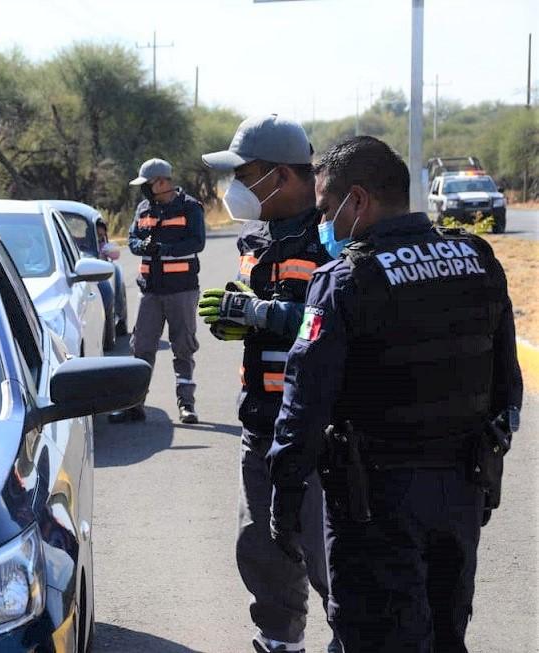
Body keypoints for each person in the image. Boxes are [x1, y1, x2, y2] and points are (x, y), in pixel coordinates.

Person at [268, 136, 523, 653]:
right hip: (462, 493)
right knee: (447, 633)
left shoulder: (344, 279)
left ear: (357, 200)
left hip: (374, 504)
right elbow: (507, 389)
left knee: (374, 634)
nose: (325, 225)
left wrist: (286, 493)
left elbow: (304, 403)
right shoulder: (476, 258)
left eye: (326, 209)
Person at [199, 114, 338, 653]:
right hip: (261, 420)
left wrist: (264, 314)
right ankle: (280, 641)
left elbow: (336, 322)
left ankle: (351, 637)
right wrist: (237, 317)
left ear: (279, 176)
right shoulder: (255, 235)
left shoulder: (333, 234)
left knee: (329, 553)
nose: (232, 187)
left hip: (318, 426)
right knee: (261, 545)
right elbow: (260, 311)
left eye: (243, 174)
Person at [108, 158, 205, 424]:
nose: (144, 191)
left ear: (162, 182)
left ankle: (187, 404)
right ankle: (135, 404)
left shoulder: (190, 208)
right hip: (150, 291)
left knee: (182, 347)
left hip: (181, 290)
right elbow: (132, 239)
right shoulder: (143, 208)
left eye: (147, 185)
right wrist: (144, 246)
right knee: (141, 347)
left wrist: (164, 249)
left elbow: (197, 242)